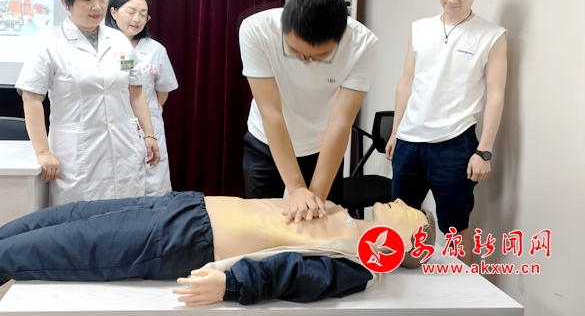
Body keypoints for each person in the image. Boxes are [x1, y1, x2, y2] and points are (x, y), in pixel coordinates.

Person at [0, 192, 435, 306]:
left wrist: (231, 285)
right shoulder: (346, 217)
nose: (401, 201)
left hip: (180, 239)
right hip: (184, 206)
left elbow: (292, 276)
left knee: (32, 251)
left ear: (408, 243)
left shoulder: (356, 265)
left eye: (411, 213)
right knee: (43, 223)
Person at [385, 0, 507, 266]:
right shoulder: (420, 28)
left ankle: (462, 289)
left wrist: (484, 151)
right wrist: (395, 132)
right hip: (409, 141)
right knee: (401, 221)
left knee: (455, 227)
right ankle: (402, 285)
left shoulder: (492, 36)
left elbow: (496, 95)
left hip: (454, 144)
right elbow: (407, 81)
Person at [15, 0, 160, 206]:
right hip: (78, 154)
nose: (97, 6)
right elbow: (31, 99)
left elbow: (135, 91)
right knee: (80, 219)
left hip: (124, 148)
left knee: (125, 216)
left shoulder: (118, 40)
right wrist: (42, 151)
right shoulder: (49, 44)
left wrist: (149, 134)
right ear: (65, 2)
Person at [239, 0, 378, 224]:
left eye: (318, 56)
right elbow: (271, 113)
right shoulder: (257, 30)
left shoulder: (362, 44)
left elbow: (341, 121)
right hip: (266, 142)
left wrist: (315, 200)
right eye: (295, 51)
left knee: (322, 223)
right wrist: (295, 189)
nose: (305, 62)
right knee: (261, 224)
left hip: (323, 147)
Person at [105, 0, 178, 196]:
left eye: (143, 14)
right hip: (113, 123)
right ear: (113, 12)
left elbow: (162, 92)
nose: (137, 19)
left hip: (149, 126)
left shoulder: (156, 50)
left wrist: (146, 115)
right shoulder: (103, 47)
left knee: (153, 187)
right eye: (131, 12)